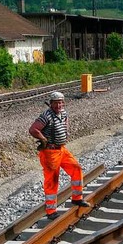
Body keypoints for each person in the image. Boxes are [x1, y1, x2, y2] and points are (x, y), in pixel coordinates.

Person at [29, 91, 90, 220]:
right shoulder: (46, 116)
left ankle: (77, 198)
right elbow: (33, 129)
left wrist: (65, 133)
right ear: (51, 104)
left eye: (61, 102)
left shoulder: (63, 113)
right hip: (50, 152)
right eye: (56, 103)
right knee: (52, 180)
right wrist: (44, 140)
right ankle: (51, 211)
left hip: (61, 149)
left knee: (76, 169)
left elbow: (65, 124)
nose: (59, 105)